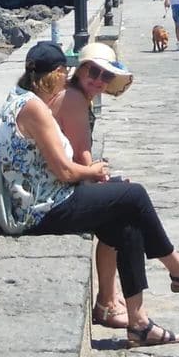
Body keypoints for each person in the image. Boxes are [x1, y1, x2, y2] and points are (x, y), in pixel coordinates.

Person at [0, 41, 179, 348]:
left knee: (126, 222)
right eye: (65, 74)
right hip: (41, 209)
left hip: (38, 201)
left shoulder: (20, 97)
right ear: (59, 72)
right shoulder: (35, 107)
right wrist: (94, 171)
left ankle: (139, 323)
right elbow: (66, 171)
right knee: (134, 196)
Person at [51, 42, 134, 328]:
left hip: (62, 179)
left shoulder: (76, 95)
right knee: (123, 207)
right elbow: (83, 156)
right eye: (93, 72)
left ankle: (112, 295)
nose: (99, 80)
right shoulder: (74, 99)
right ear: (80, 70)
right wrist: (104, 179)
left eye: (106, 76)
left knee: (125, 201)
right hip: (58, 187)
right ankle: (108, 300)